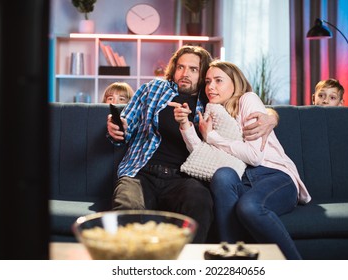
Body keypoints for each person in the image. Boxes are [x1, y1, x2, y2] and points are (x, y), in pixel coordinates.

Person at [106, 46, 278, 243]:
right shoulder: (152, 89)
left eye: (193, 69)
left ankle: (189, 268)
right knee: (128, 209)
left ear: (203, 73)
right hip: (140, 173)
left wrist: (272, 117)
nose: (184, 74)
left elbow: (249, 105)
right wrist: (119, 128)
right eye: (180, 67)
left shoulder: (213, 100)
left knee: (200, 202)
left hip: (183, 178)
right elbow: (127, 124)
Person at [172, 60, 311, 259]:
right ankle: (232, 259)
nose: (211, 87)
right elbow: (202, 154)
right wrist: (186, 124)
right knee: (222, 175)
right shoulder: (214, 110)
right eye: (208, 81)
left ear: (235, 83)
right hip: (243, 179)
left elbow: (254, 157)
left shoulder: (248, 99)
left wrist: (211, 136)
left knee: (248, 207)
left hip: (275, 176)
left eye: (218, 81)